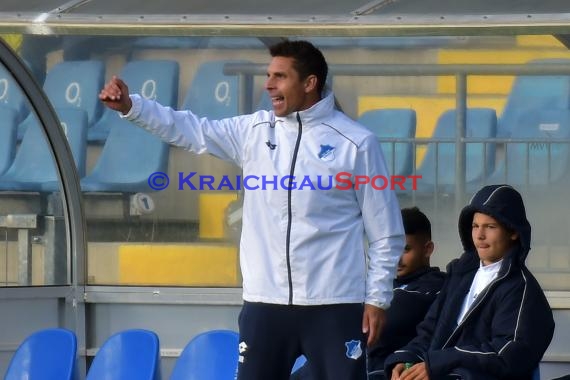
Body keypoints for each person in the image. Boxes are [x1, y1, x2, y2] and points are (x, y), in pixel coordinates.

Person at [99, 39, 405, 380]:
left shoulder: (357, 142)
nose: (268, 84)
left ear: (309, 83)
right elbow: (191, 130)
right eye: (268, 75)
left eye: (280, 76)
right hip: (265, 304)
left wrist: (378, 298)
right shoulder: (253, 131)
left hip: (334, 305)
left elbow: (386, 232)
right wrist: (132, 106)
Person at [384, 184, 555, 380]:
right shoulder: (460, 275)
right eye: (475, 226)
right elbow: (429, 330)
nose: (480, 235)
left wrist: (435, 365)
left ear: (513, 232)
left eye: (490, 227)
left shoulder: (521, 289)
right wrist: (406, 361)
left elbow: (508, 355)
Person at [291, 206, 446, 380]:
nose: (397, 259)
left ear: (428, 249)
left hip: (376, 371)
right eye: (392, 250)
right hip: (341, 362)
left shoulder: (437, 288)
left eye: (406, 249)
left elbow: (387, 318)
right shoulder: (377, 287)